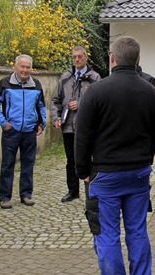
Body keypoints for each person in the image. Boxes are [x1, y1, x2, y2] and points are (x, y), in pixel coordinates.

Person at [75, 36, 155, 275]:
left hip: (106, 175)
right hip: (138, 174)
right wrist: (145, 161)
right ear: (137, 60)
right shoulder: (151, 92)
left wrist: (83, 172)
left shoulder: (96, 92)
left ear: (111, 59)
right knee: (137, 231)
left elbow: (82, 136)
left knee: (108, 235)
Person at [0, 54, 46, 209]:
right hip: (11, 131)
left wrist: (42, 123)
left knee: (28, 164)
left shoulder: (36, 85)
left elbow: (41, 106)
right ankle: (4, 197)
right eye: (22, 66)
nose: (25, 70)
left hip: (29, 131)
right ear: (15, 67)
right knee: (8, 164)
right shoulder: (4, 84)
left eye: (28, 67)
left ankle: (26, 195)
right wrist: (3, 123)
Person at [51, 46, 101, 203]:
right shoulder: (65, 77)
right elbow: (55, 100)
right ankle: (72, 191)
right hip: (68, 127)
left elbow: (99, 101)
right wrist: (56, 117)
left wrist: (80, 103)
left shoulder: (95, 78)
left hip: (87, 127)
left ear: (86, 57)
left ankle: (92, 188)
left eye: (80, 56)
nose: (77, 59)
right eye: (74, 57)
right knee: (71, 160)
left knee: (90, 158)